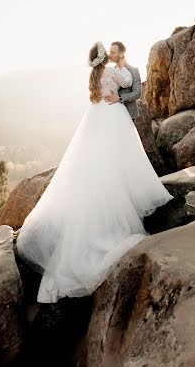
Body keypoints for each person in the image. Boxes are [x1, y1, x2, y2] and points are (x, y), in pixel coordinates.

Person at [16, 41, 174, 303]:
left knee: (100, 159)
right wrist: (120, 64)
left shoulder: (94, 75)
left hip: (97, 116)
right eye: (108, 53)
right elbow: (127, 81)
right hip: (112, 116)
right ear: (105, 58)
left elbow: (125, 89)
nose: (112, 55)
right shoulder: (112, 72)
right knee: (119, 156)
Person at [104, 41, 142, 122]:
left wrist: (120, 98)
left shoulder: (133, 70)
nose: (109, 55)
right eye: (109, 52)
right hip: (113, 111)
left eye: (112, 52)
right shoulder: (110, 70)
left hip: (129, 113)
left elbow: (137, 93)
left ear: (121, 54)